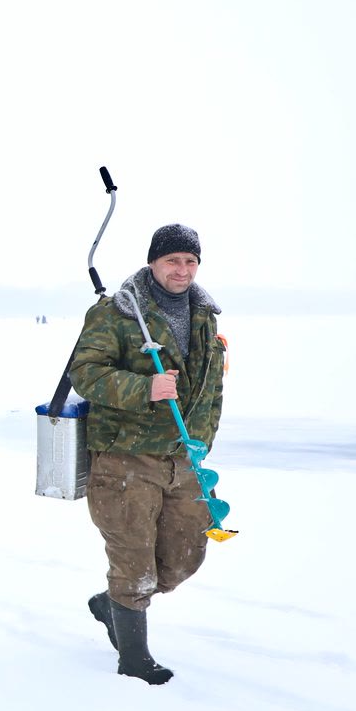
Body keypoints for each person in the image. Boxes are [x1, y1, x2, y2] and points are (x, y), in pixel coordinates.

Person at [65, 223, 225, 685]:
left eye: (190, 261)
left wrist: (203, 441)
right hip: (124, 457)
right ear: (153, 262)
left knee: (182, 558)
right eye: (173, 261)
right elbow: (86, 373)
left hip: (183, 456)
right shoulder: (117, 312)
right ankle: (133, 660)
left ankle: (109, 604)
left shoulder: (205, 317)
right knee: (133, 559)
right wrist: (144, 388)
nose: (182, 270)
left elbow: (212, 388)